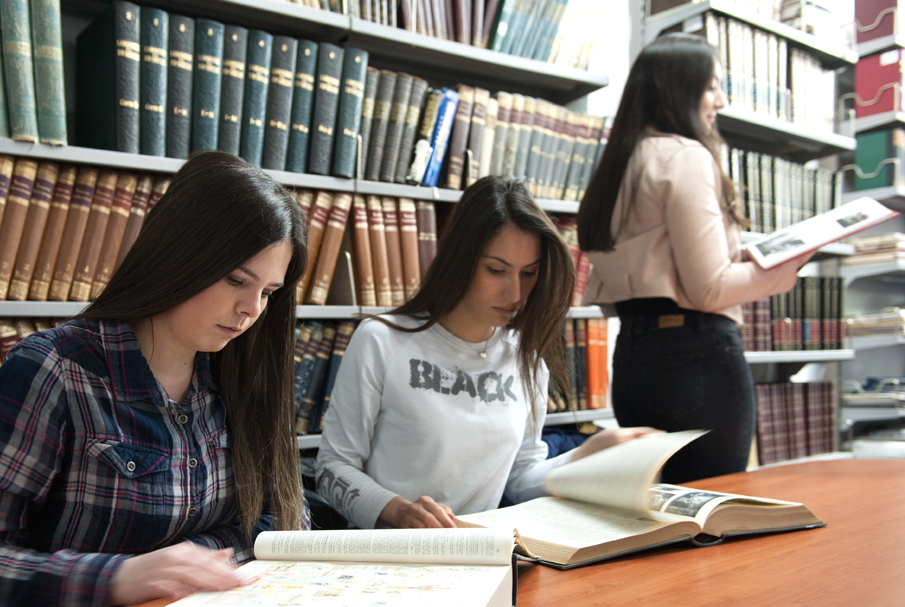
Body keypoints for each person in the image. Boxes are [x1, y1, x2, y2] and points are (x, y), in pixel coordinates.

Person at [0, 152, 308, 607]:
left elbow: (281, 522)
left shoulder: (242, 375)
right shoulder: (54, 371)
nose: (252, 309)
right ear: (178, 256)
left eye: (268, 292)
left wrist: (190, 560)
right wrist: (118, 578)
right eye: (236, 280)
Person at [315, 176, 658, 530]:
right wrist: (398, 511)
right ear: (459, 260)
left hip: (480, 550)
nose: (515, 293)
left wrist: (588, 454)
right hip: (387, 552)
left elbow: (520, 478)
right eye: (496, 270)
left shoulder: (526, 361)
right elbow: (331, 468)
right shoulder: (381, 340)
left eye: (529, 273)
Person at [576, 33, 814, 484]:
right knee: (712, 505)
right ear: (678, 89)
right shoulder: (684, 157)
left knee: (655, 507)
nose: (720, 101)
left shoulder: (618, 164)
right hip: (697, 356)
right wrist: (785, 268)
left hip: (633, 357)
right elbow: (710, 288)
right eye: (712, 87)